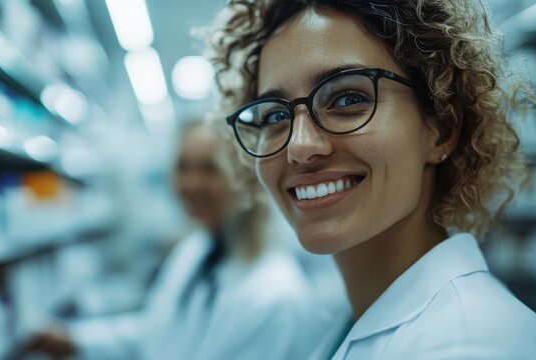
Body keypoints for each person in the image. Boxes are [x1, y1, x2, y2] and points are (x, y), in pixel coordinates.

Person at [205, 0, 536, 358]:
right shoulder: (349, 321)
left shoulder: (471, 346)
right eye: (275, 114)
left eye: (347, 98)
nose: (300, 146)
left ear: (441, 130)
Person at [24, 120, 329, 359]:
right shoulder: (195, 250)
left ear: (246, 177)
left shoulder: (275, 297)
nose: (190, 184)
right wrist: (75, 341)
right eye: (183, 167)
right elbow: (163, 333)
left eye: (210, 169)